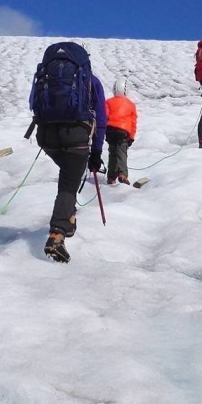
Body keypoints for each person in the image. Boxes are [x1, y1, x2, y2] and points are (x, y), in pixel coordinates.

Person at [27, 41, 108, 263]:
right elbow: (101, 119)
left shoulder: (47, 78)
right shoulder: (91, 82)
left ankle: (69, 219)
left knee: (68, 176)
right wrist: (97, 151)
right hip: (76, 136)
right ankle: (57, 234)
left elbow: (33, 103)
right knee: (68, 185)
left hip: (46, 136)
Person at [104, 78, 137, 185]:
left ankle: (111, 177)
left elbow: (104, 116)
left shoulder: (108, 102)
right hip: (123, 131)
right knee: (121, 152)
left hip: (110, 130)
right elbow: (133, 123)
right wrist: (131, 137)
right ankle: (122, 174)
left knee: (112, 152)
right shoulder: (131, 105)